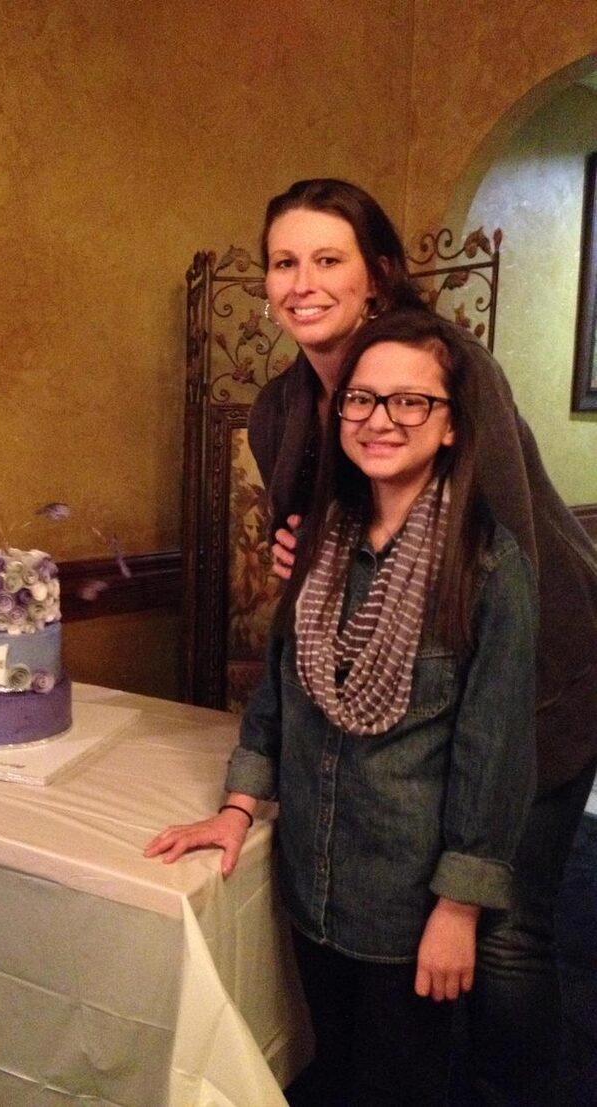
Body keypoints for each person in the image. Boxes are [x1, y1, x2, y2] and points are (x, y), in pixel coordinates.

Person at [158, 180, 597, 1106]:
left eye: (330, 260)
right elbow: (309, 561)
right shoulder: (282, 407)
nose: (301, 283)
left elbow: (496, 564)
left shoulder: (449, 367)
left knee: (503, 932)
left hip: (539, 678)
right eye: (285, 261)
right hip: (386, 694)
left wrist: (462, 887)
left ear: (380, 277)